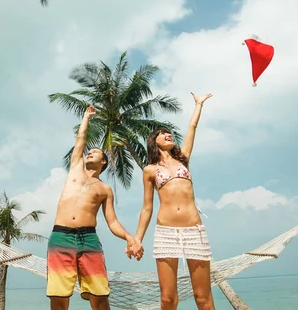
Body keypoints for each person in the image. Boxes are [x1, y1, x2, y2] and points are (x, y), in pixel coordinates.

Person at [47, 105, 143, 310]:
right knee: (58, 295)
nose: (89, 152)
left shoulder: (105, 189)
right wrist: (86, 118)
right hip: (60, 237)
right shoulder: (75, 170)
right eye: (88, 152)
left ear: (104, 161)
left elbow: (113, 221)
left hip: (89, 239)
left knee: (99, 296)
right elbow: (80, 141)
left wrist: (129, 237)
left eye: (96, 152)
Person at [128, 92, 215, 310]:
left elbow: (192, 129)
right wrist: (137, 239)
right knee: (168, 299)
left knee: (202, 297)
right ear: (154, 141)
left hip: (194, 231)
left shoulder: (183, 159)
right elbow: (147, 207)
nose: (168, 135)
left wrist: (198, 105)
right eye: (162, 133)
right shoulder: (149, 170)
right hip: (165, 233)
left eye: (169, 133)